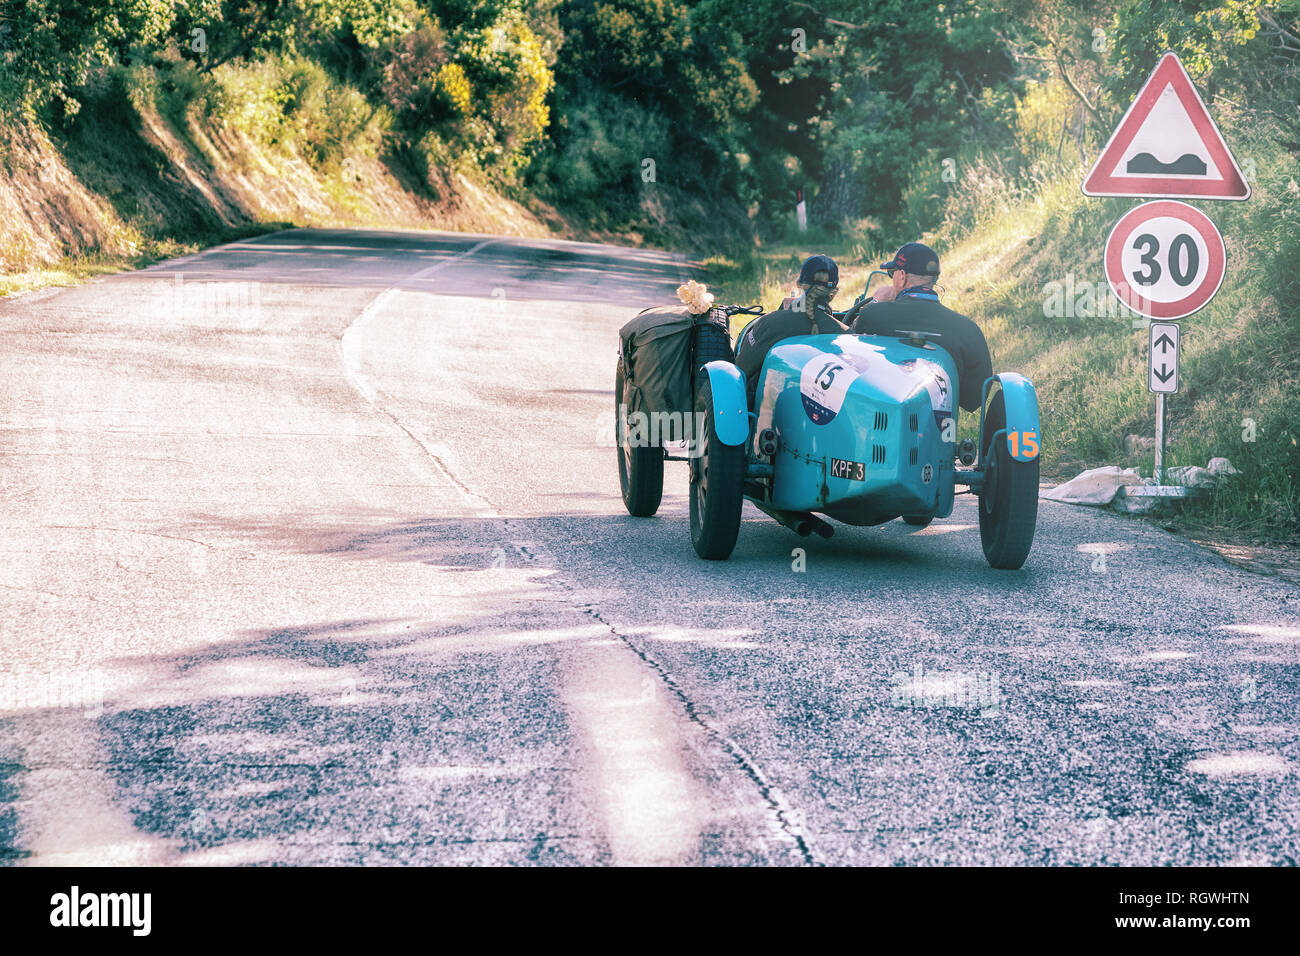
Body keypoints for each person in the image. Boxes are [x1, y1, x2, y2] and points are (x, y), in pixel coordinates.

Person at [847, 242, 992, 413]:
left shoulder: (873, 315)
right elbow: (974, 399)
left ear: (901, 277)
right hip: (939, 427)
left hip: (880, 418)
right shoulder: (968, 329)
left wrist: (875, 302)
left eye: (892, 274)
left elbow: (850, 352)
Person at [735, 254, 847, 405]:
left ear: (800, 284)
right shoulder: (843, 335)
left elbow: (741, 369)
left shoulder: (769, 322)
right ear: (834, 290)